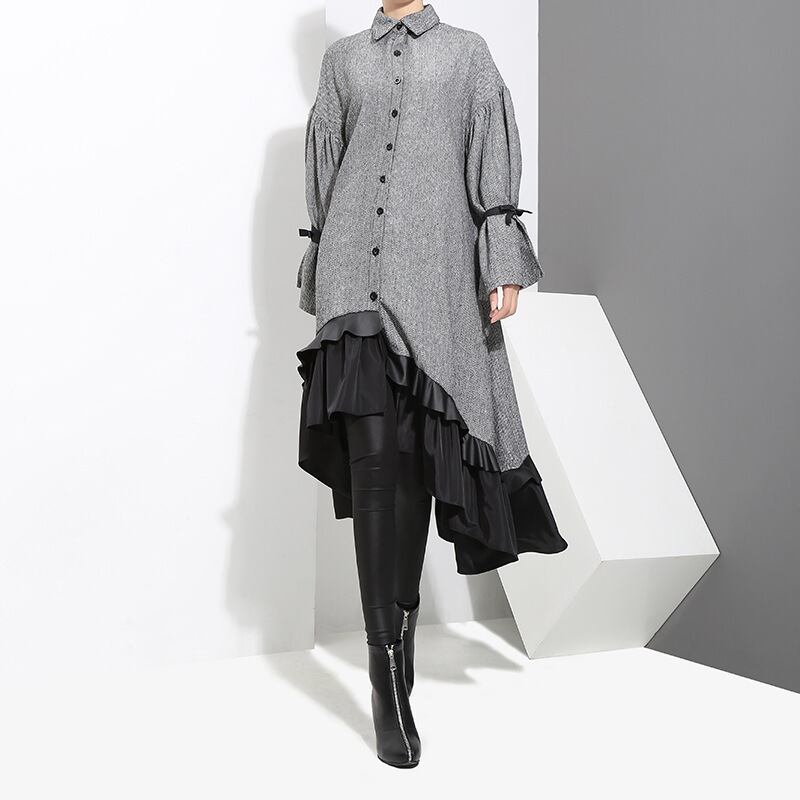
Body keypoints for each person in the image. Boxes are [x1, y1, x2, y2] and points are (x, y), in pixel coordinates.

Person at [295, 2, 568, 768]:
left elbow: (489, 153)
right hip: (354, 279)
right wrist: (319, 266)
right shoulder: (344, 59)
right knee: (374, 470)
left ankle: (401, 634)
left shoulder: (467, 54)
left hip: (437, 276)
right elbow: (327, 165)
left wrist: (501, 257)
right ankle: (385, 675)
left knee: (416, 466)